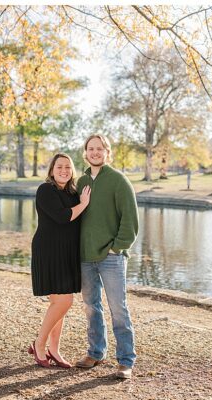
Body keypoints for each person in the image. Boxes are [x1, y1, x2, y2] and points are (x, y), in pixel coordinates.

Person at [74, 134, 139, 381]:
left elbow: (130, 220)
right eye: (91, 149)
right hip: (85, 256)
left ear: (107, 152)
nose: (95, 152)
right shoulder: (80, 182)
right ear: (85, 153)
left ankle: (125, 361)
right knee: (91, 307)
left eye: (99, 149)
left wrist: (116, 248)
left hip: (112, 257)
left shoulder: (118, 181)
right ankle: (95, 352)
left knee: (118, 309)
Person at [30, 153, 90, 368]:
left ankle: (54, 350)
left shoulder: (73, 192)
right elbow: (63, 217)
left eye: (67, 167)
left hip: (67, 253)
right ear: (52, 170)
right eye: (59, 167)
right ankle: (39, 344)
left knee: (60, 304)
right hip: (48, 250)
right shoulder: (46, 190)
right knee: (63, 301)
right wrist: (84, 204)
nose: (64, 170)